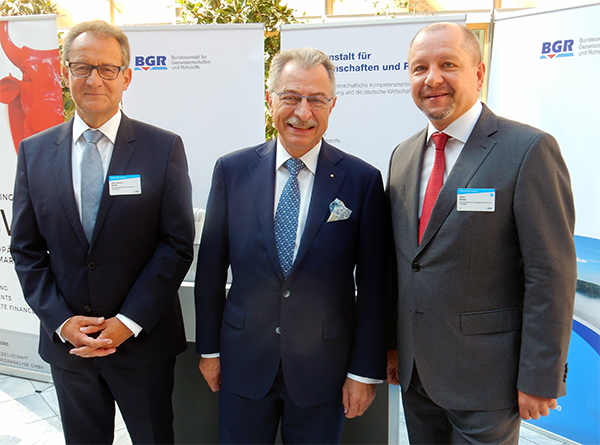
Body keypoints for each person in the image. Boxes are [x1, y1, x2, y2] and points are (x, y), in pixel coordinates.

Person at [386, 22, 577, 444]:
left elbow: (551, 273)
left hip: (488, 380)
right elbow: (405, 263)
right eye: (419, 68)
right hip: (418, 376)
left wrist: (541, 374)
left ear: (478, 72)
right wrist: (393, 345)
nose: (432, 78)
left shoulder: (527, 150)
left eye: (447, 64)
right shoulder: (402, 156)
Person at [10, 20, 194, 444]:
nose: (94, 79)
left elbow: (176, 244)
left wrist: (127, 322)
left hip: (142, 344)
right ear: (64, 72)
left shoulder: (162, 148)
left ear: (126, 77)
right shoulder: (34, 153)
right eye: (81, 67)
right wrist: (61, 322)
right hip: (70, 348)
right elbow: (26, 249)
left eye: (107, 69)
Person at [194, 47, 389, 444]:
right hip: (243, 363)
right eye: (291, 97)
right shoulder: (231, 170)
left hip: (325, 372)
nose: (303, 112)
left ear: (332, 105)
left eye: (316, 99)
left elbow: (375, 286)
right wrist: (210, 350)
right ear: (271, 100)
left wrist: (363, 372)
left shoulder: (361, 180)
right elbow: (211, 269)